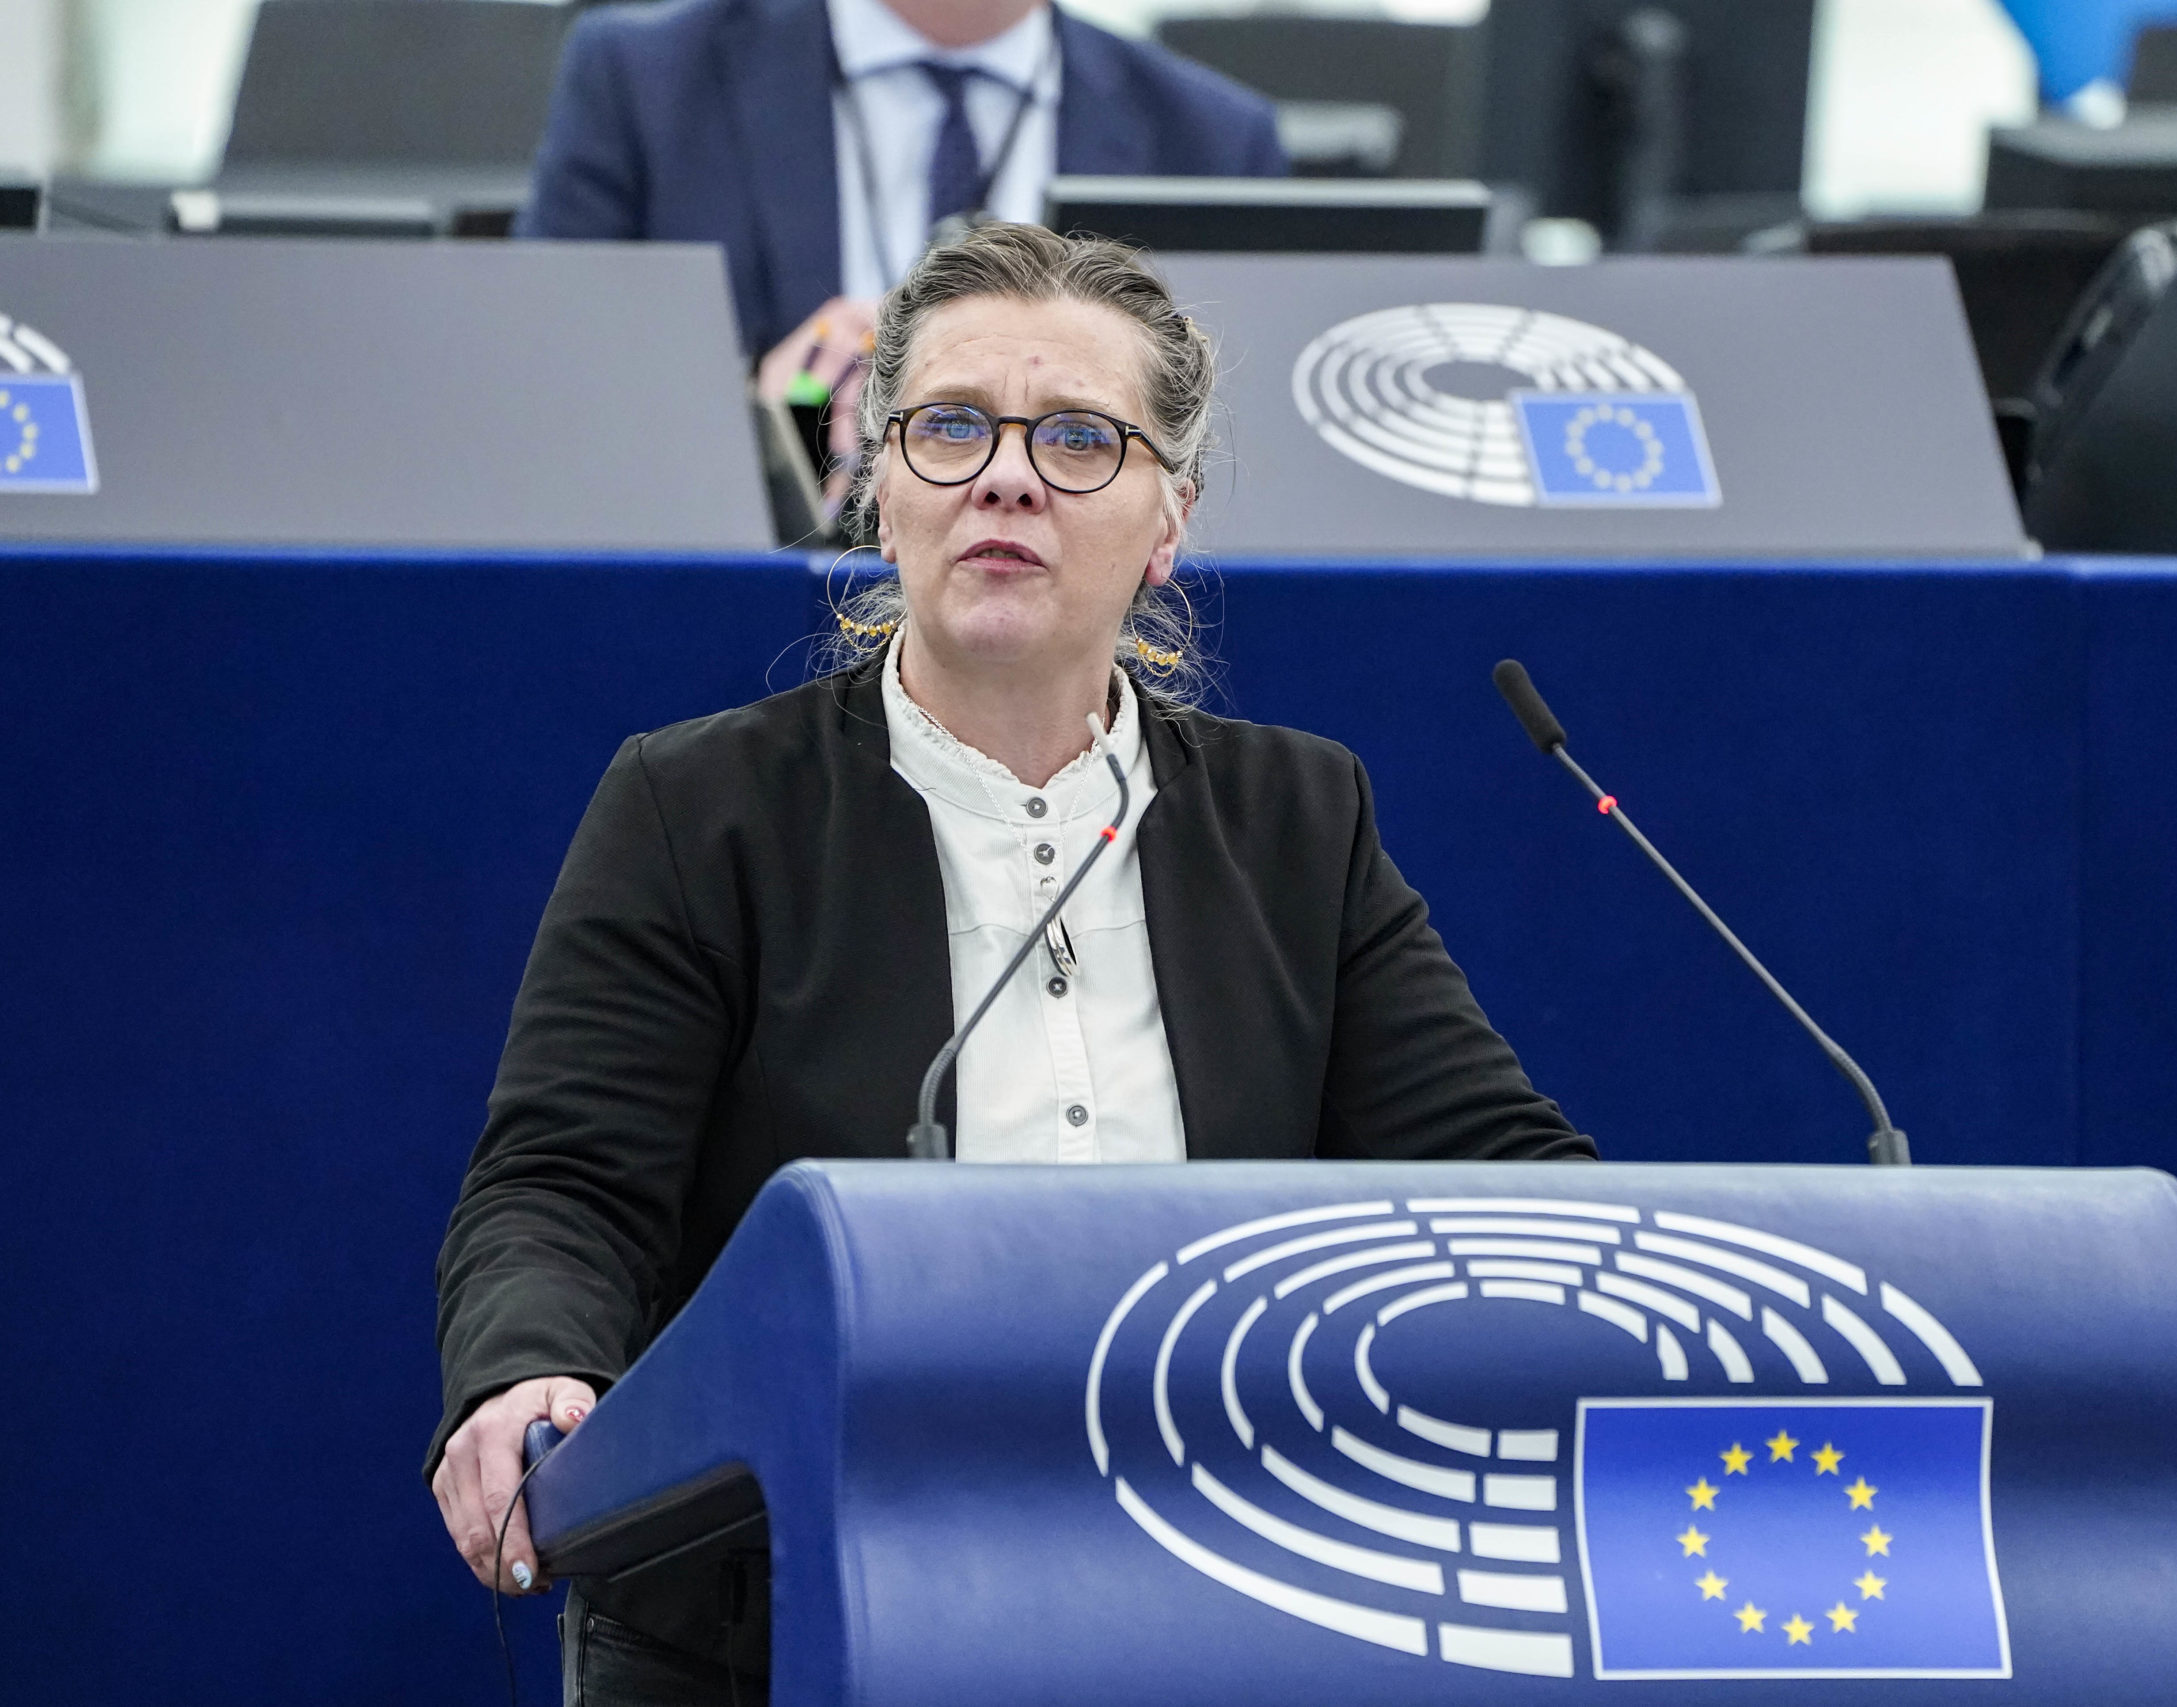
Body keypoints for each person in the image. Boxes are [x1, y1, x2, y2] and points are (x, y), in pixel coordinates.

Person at [428, 222, 1591, 1705]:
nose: (1007, 476)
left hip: (1217, 1602)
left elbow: (1500, 1181)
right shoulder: (703, 806)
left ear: (1168, 523)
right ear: (882, 489)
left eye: (1080, 439)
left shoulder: (1295, 819)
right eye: (953, 426)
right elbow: (563, 1184)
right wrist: (530, 1365)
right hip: (786, 1613)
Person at [516, 0, 1290, 391]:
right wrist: (757, 425)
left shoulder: (1217, 142)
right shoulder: (641, 84)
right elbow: (547, 386)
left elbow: (1240, 457)